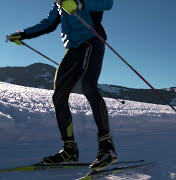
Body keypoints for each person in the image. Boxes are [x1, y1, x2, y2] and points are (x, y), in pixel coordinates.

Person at [7, 0, 117, 171]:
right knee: (58, 96)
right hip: (73, 49)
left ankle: (107, 147)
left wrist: (79, 4)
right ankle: (69, 150)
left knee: (88, 86)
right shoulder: (57, 4)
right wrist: (23, 34)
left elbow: (106, 3)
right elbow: (49, 24)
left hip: (92, 41)